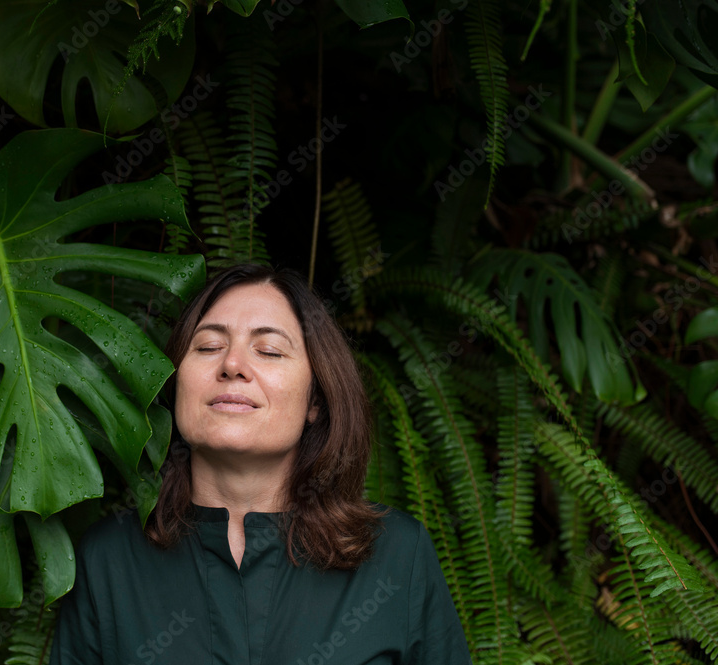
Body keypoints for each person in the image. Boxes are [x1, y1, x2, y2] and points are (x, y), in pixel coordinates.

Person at [49, 264, 473, 665]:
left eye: (268, 350)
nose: (232, 365)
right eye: (209, 346)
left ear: (316, 401)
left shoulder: (397, 557)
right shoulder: (109, 559)